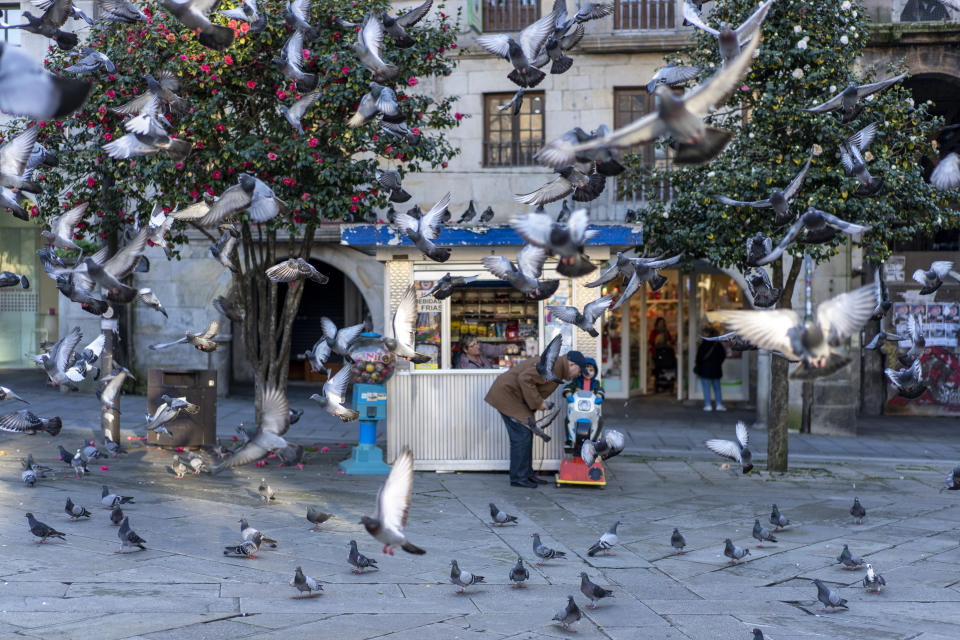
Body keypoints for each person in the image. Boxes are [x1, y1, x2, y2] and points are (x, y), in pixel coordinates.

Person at [485, 349, 588, 488]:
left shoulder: (557, 367)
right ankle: (518, 478)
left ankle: (526, 475)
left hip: (515, 397)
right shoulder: (554, 366)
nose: (579, 375)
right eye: (580, 371)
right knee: (521, 436)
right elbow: (524, 378)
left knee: (526, 435)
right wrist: (539, 403)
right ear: (572, 365)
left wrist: (537, 402)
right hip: (508, 394)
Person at [695, 324, 727, 411]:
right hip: (716, 369)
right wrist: (717, 363)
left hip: (705, 369)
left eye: (705, 332)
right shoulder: (717, 344)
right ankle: (718, 404)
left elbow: (698, 358)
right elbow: (723, 355)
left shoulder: (703, 344)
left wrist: (700, 365)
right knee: (717, 387)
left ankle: (708, 405)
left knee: (706, 388)